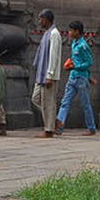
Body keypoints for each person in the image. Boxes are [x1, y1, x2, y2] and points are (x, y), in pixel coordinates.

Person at [54, 21, 96, 136]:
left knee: (85, 104)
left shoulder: (83, 46)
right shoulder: (74, 43)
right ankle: (59, 127)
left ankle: (91, 127)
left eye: (71, 30)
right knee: (64, 102)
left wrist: (75, 67)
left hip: (81, 78)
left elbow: (89, 62)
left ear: (77, 31)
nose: (69, 32)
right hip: (73, 77)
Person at [31, 9, 62, 138]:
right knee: (36, 98)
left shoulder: (54, 33)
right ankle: (53, 120)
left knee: (48, 102)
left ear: (47, 19)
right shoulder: (46, 34)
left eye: (41, 19)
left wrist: (49, 75)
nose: (40, 21)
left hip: (49, 75)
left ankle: (48, 130)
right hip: (41, 75)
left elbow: (53, 56)